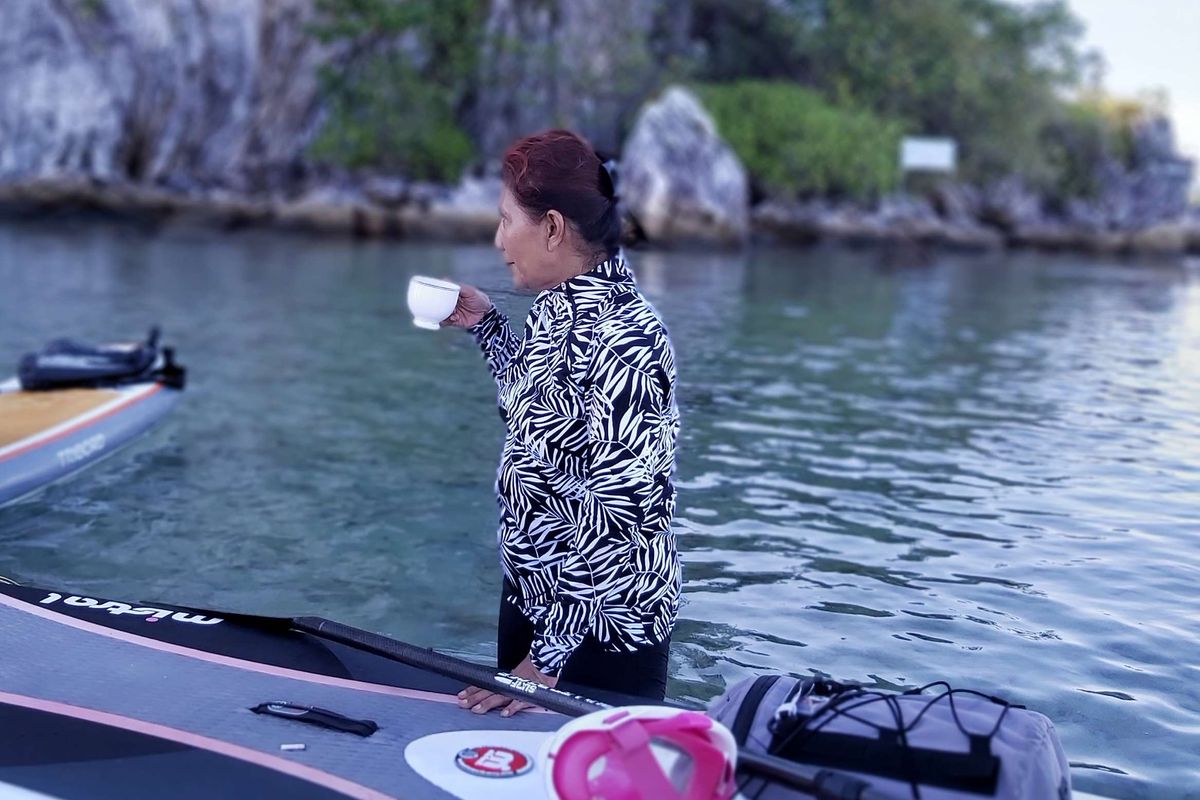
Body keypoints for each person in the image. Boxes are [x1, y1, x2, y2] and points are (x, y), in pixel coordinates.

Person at [442, 129, 682, 717]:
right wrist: (488, 326)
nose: (499, 240)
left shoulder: (630, 341)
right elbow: (538, 420)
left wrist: (542, 662)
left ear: (552, 227)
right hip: (535, 599)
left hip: (600, 631)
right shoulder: (559, 309)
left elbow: (620, 519)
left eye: (506, 222)